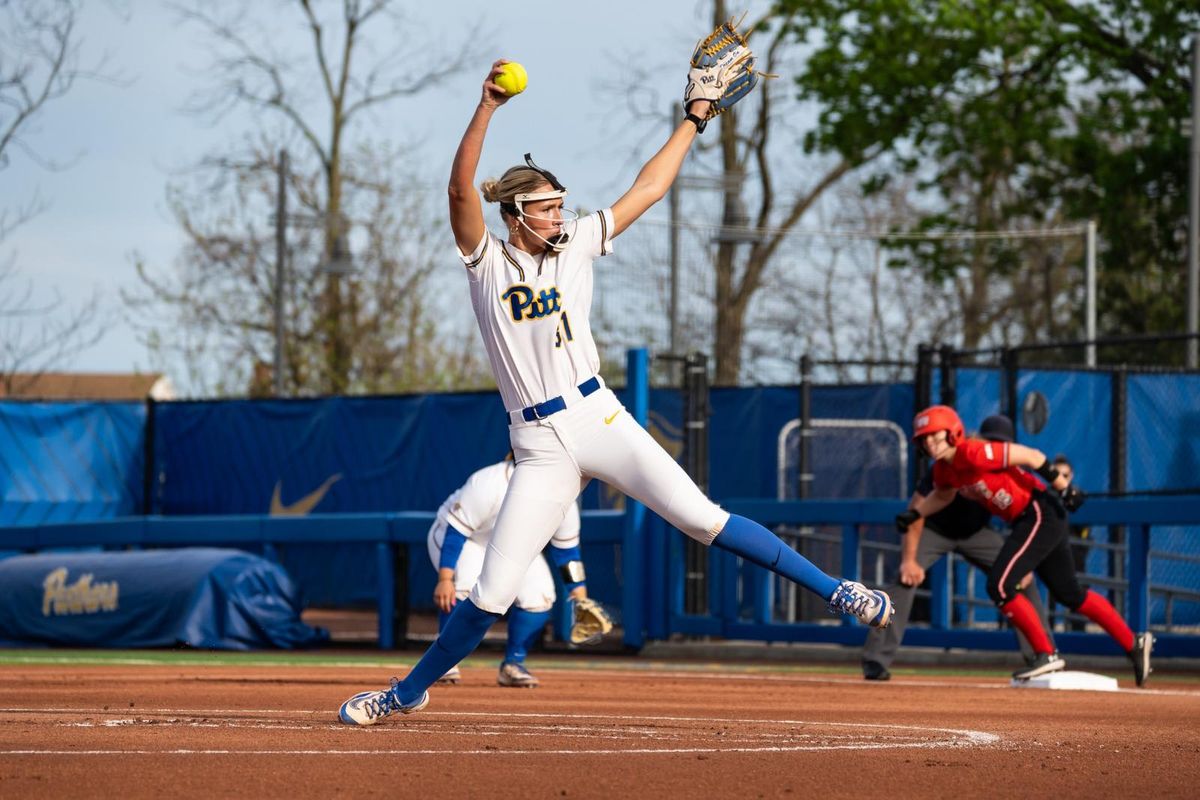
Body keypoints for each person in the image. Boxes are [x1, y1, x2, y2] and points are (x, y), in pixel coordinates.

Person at [337, 35, 893, 726]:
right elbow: (458, 190)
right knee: (493, 590)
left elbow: (650, 188)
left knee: (702, 518)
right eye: (546, 207)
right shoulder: (488, 263)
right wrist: (485, 108)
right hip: (536, 443)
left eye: (560, 204)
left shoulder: (576, 246)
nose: (559, 214)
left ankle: (839, 592)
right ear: (514, 216)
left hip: (598, 417)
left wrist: (693, 117)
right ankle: (406, 692)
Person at [896, 405, 1153, 687]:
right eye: (924, 438)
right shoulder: (944, 470)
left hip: (1038, 512)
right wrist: (917, 513)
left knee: (1000, 586)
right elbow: (942, 497)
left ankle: (1045, 653)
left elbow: (1033, 456)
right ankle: (1134, 643)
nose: (929, 442)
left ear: (953, 431)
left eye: (935, 435)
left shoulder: (974, 451)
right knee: (1071, 594)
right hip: (1032, 520)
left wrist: (1063, 486)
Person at [862, 414, 1054, 680]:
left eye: (1002, 443)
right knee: (905, 580)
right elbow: (915, 513)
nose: (996, 446)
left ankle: (1044, 655)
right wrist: (909, 560)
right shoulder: (949, 463)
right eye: (992, 441)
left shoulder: (1003, 465)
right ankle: (876, 660)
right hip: (934, 530)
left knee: (1022, 579)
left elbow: (1019, 513)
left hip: (977, 533)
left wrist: (1021, 561)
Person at [428, 456, 591, 689]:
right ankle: (444, 662)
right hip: (467, 540)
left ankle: (513, 664)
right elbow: (456, 533)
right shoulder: (490, 481)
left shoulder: (563, 495)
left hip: (511, 546)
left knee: (540, 595)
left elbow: (567, 551)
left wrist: (579, 593)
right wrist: (445, 578)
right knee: (465, 584)